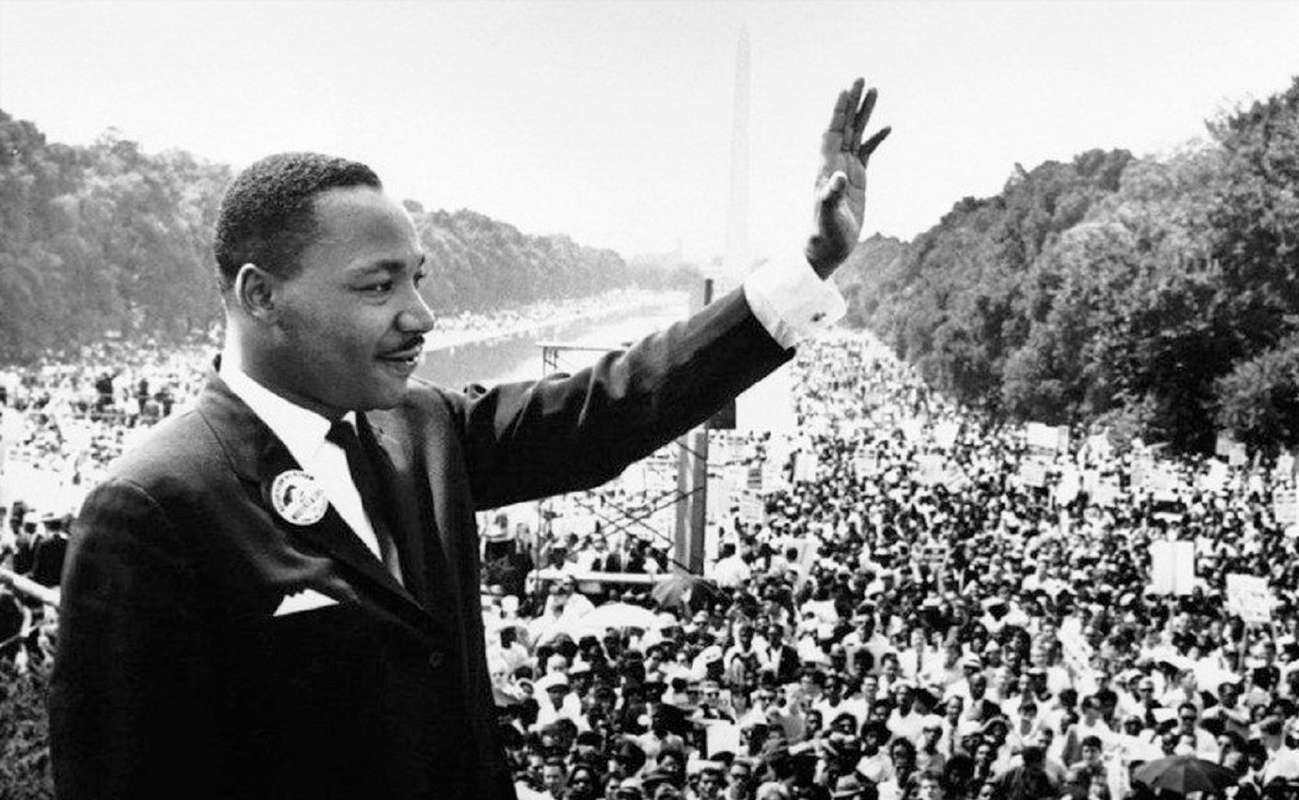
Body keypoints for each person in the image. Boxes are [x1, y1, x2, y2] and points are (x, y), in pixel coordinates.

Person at [47, 79, 890, 800]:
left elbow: (616, 406)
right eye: (380, 286)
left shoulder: (422, 426)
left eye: (418, 277)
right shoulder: (153, 506)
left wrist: (809, 265)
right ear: (261, 297)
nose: (421, 315)